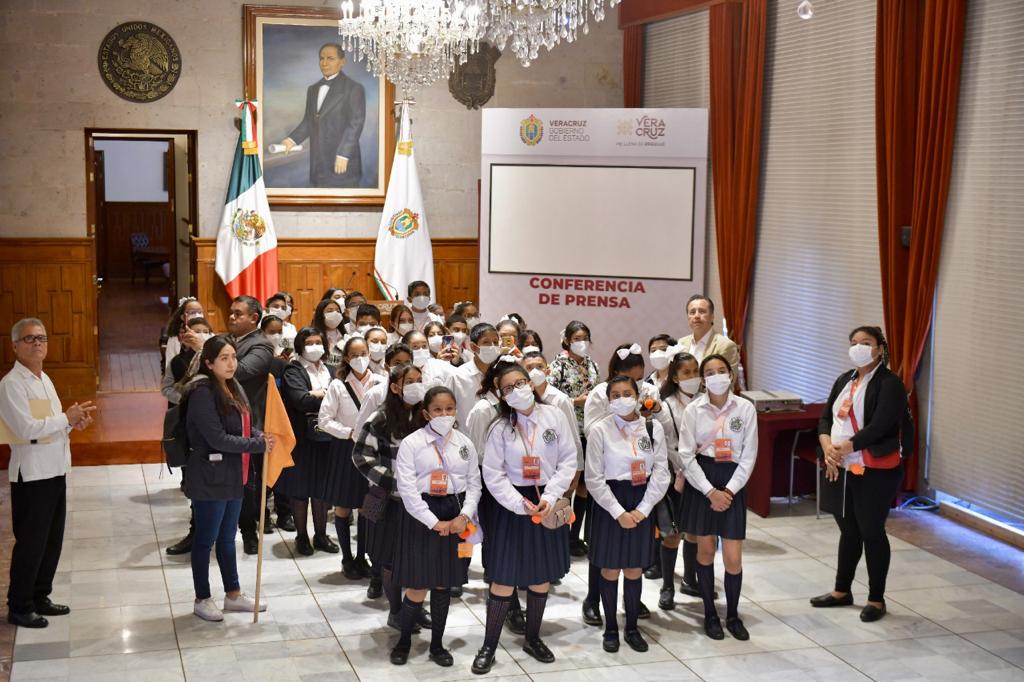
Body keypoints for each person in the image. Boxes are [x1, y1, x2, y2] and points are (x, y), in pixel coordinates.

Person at [472, 364, 577, 673]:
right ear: (501, 395)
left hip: (547, 499)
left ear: (530, 383)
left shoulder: (554, 416)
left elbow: (568, 459)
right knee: (504, 578)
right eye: (508, 388)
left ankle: (533, 638)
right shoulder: (500, 427)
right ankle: (489, 645)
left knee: (540, 576)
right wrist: (519, 504)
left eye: (520, 382)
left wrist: (550, 497)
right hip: (511, 505)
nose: (516, 390)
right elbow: (493, 474)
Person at [811, 326, 910, 623]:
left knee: (871, 531)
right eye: (854, 342)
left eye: (866, 343)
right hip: (840, 466)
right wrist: (827, 447)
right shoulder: (845, 379)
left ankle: (876, 598)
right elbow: (825, 418)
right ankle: (842, 590)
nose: (858, 348)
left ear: (879, 348)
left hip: (873, 469)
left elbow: (880, 426)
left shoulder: (889, 384)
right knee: (849, 530)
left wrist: (845, 447)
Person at [1, 318, 95, 628]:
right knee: (31, 542)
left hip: (55, 469)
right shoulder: (12, 384)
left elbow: (50, 425)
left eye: (41, 338)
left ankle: (40, 596)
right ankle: (20, 605)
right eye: (29, 338)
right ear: (15, 346)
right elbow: (26, 429)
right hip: (32, 475)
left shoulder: (44, 379)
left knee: (51, 540)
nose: (37, 343)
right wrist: (65, 418)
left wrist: (72, 423)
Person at [390, 387, 482, 667]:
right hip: (421, 514)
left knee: (443, 585)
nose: (444, 414)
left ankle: (437, 645)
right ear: (426, 413)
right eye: (438, 410)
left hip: (456, 512)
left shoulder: (464, 443)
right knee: (418, 585)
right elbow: (407, 489)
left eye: (449, 409)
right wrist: (433, 522)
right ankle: (404, 641)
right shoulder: (412, 443)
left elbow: (474, 484)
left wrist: (464, 516)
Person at [183, 335, 272, 621]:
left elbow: (244, 426)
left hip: (234, 475)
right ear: (209, 363)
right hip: (210, 476)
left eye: (233, 357)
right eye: (224, 358)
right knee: (205, 540)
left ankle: (233, 594)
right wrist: (257, 445)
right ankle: (202, 598)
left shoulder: (234, 387)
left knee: (227, 538)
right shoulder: (202, 392)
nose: (231, 363)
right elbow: (217, 438)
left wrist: (259, 435)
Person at [580, 343, 667, 625]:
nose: (624, 396)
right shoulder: (600, 409)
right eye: (617, 394)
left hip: (641, 494)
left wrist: (642, 510)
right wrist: (619, 511)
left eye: (634, 386)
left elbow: (660, 469)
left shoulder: (650, 419)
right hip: (610, 492)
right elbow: (594, 471)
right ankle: (597, 605)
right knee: (605, 560)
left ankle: (631, 618)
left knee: (633, 565)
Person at [678, 353, 758, 641]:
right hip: (703, 481)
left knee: (733, 557)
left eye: (721, 370)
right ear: (703, 379)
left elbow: (749, 455)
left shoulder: (745, 408)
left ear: (731, 374)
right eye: (709, 372)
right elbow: (686, 454)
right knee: (706, 550)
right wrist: (710, 491)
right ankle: (710, 614)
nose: (716, 376)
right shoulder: (694, 410)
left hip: (732, 482)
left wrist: (729, 491)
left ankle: (733, 615)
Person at [352, 363, 433, 625]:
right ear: (396, 387)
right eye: (410, 381)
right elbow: (361, 457)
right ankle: (396, 611)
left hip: (423, 500)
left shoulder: (427, 416)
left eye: (419, 380)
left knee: (418, 557)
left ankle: (414, 606)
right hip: (392, 500)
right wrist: (393, 481)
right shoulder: (381, 418)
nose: (416, 386)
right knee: (390, 558)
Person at [319, 335, 386, 577]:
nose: (360, 358)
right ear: (347, 358)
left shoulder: (381, 381)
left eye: (363, 354)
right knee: (344, 505)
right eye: (355, 355)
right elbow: (324, 420)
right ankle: (347, 558)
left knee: (367, 506)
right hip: (346, 449)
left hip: (373, 450)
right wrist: (348, 433)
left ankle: (362, 557)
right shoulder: (337, 385)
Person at [274, 327, 338, 556]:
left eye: (317, 342)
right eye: (308, 343)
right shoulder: (293, 369)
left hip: (327, 438)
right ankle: (301, 536)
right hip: (302, 439)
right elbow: (300, 400)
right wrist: (327, 395)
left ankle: (321, 535)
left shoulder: (331, 369)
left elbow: (341, 397)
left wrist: (319, 393)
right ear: (300, 346)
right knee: (300, 490)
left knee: (322, 490)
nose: (314, 347)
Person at [653, 351, 704, 607]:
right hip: (675, 474)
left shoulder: (707, 402)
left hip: (702, 475)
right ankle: (667, 586)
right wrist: (682, 462)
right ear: (675, 377)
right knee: (671, 532)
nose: (692, 377)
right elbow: (664, 443)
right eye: (686, 373)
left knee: (694, 531)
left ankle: (690, 579)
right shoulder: (666, 405)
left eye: (695, 372)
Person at [278, 42, 365, 188]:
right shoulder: (313, 89)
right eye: (321, 58)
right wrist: (291, 140)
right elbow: (309, 121)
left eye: (330, 58)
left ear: (342, 62)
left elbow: (355, 125)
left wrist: (343, 154)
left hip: (342, 162)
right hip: (318, 164)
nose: (324, 63)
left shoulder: (354, 88)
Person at [547, 320, 600, 559]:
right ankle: (559, 534)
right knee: (567, 485)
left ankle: (574, 536)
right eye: (577, 338)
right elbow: (548, 398)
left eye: (585, 338)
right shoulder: (557, 366)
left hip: (589, 430)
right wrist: (575, 401)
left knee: (585, 486)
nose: (582, 343)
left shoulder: (593, 365)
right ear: (567, 341)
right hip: (566, 431)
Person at [227, 296, 275, 555]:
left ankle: (249, 531)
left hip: (249, 421)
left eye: (238, 313)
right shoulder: (227, 340)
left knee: (248, 481)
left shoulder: (261, 344)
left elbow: (241, 371)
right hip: (223, 418)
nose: (232, 317)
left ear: (254, 318)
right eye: (231, 313)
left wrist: (210, 353)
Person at [452, 322, 502, 430]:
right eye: (486, 342)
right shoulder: (458, 376)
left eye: (495, 342)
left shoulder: (501, 375)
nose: (492, 346)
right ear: (474, 347)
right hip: (465, 435)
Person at [678, 295, 741, 379]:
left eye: (702, 311)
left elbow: (728, 382)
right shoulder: (681, 343)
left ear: (712, 317)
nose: (696, 316)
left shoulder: (726, 346)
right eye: (692, 312)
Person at [162, 297, 205, 374]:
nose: (197, 315)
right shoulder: (175, 339)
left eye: (200, 312)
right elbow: (169, 365)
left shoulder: (209, 333)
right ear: (183, 316)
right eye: (193, 312)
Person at [311, 297, 346, 370]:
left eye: (338, 311)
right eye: (330, 311)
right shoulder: (314, 337)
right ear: (321, 315)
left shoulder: (346, 336)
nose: (335, 313)